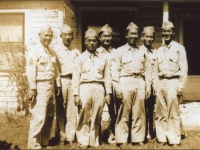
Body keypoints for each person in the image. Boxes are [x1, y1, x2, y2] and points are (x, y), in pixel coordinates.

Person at [112, 22, 150, 149]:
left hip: (139, 81)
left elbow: (147, 70)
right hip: (125, 81)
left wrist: (147, 86)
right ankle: (122, 139)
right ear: (126, 35)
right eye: (131, 33)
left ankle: (137, 138)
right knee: (123, 111)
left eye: (136, 34)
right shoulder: (119, 51)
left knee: (139, 111)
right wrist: (117, 88)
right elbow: (115, 71)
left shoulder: (142, 51)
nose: (134, 36)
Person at [73, 28, 112, 149]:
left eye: (94, 41)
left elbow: (107, 77)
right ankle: (83, 140)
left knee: (97, 115)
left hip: (99, 87)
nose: (92, 43)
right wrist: (76, 94)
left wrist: (108, 93)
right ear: (85, 42)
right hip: (85, 86)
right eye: (89, 41)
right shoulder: (80, 58)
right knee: (84, 114)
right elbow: (76, 77)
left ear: (97, 42)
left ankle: (94, 140)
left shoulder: (103, 58)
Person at [26, 24, 60, 149]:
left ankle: (44, 141)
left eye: (50, 35)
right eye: (46, 35)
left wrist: (56, 85)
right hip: (39, 86)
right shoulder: (34, 51)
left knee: (50, 115)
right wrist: (32, 88)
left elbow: (54, 71)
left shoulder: (52, 52)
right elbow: (30, 70)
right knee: (38, 116)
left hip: (50, 85)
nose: (48, 37)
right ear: (39, 35)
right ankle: (33, 144)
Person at [155, 21, 188, 147]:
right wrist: (155, 85)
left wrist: (181, 86)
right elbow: (155, 70)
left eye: (169, 31)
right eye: (164, 31)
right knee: (160, 112)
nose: (166, 33)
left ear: (173, 33)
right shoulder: (159, 50)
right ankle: (162, 138)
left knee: (173, 112)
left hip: (173, 81)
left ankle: (174, 139)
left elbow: (183, 68)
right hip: (161, 82)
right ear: (162, 33)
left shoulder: (179, 48)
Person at [55, 24, 80, 147]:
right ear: (61, 36)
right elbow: (56, 70)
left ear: (73, 36)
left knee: (71, 110)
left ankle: (70, 136)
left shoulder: (76, 52)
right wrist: (58, 85)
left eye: (70, 34)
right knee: (61, 110)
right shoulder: (56, 51)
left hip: (73, 81)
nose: (67, 37)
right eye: (65, 34)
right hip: (62, 81)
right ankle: (61, 137)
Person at [97, 24, 116, 144]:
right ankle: (97, 134)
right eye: (104, 36)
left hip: (113, 84)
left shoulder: (116, 52)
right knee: (97, 110)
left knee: (113, 111)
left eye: (109, 36)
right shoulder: (96, 52)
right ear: (100, 38)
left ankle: (111, 134)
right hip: (99, 85)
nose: (107, 39)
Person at [140, 26, 158, 141]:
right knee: (141, 109)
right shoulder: (138, 51)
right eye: (147, 36)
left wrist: (154, 85)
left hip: (152, 85)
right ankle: (141, 132)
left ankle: (150, 132)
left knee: (151, 109)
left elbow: (155, 69)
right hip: (142, 84)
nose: (149, 39)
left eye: (151, 37)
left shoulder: (155, 52)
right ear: (142, 37)